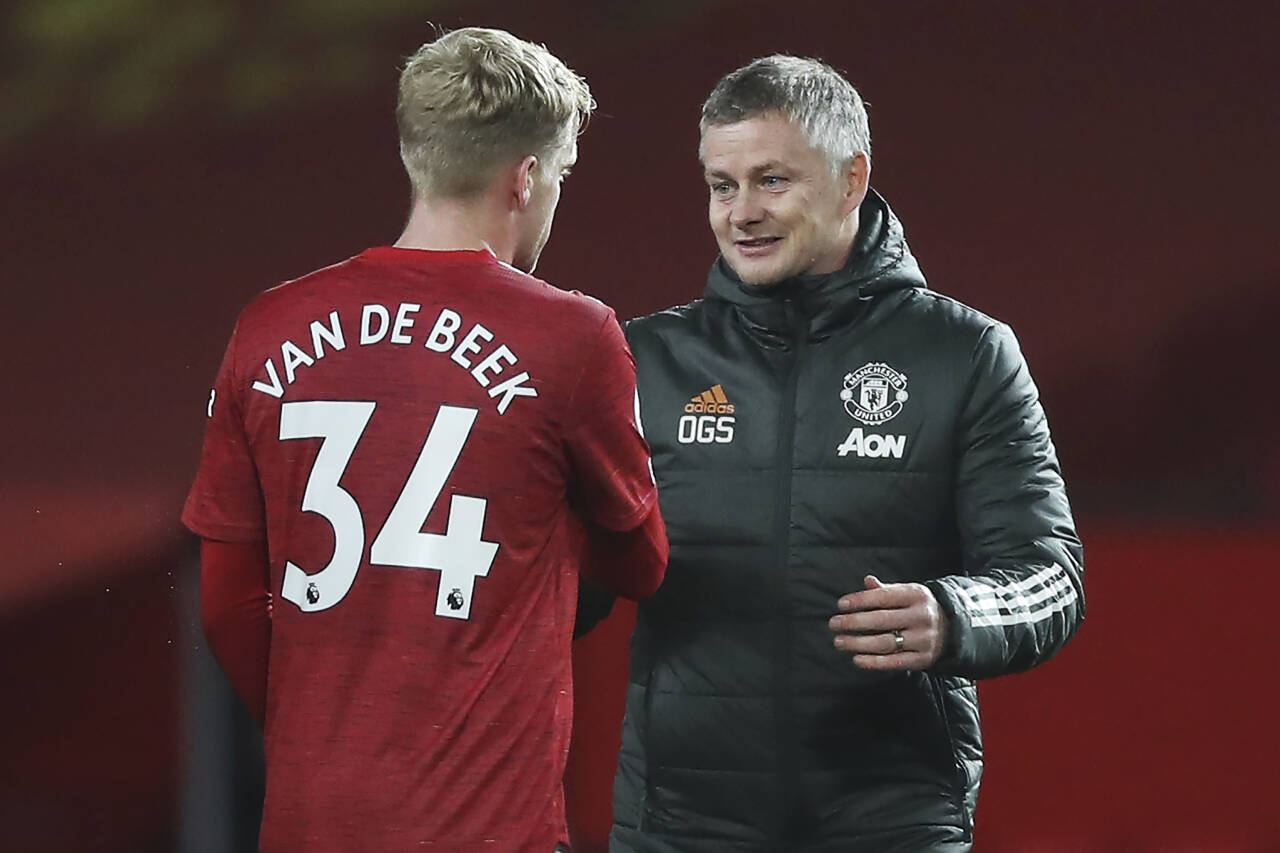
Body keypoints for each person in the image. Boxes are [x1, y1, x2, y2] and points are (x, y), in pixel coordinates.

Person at [580, 55, 1085, 852]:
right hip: (679, 826)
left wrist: (954, 614)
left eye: (771, 180)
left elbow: (1051, 577)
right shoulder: (644, 358)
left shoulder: (967, 352)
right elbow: (569, 583)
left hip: (892, 821)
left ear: (852, 181)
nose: (740, 212)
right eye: (722, 184)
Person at [183, 27, 667, 852]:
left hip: (312, 822)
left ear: (418, 157)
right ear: (526, 178)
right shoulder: (576, 338)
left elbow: (228, 603)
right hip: (489, 828)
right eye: (560, 176)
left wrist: (324, 736)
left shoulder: (269, 327)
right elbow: (641, 562)